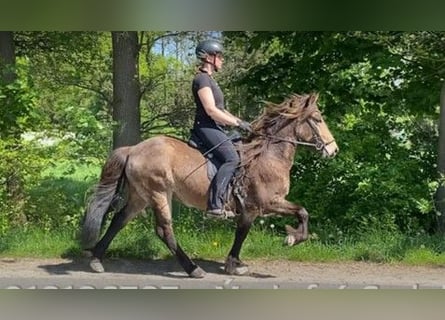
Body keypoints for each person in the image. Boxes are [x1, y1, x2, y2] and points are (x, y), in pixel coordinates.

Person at [191, 39, 252, 218]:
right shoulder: (201, 79)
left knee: (241, 149)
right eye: (220, 56)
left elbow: (222, 110)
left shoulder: (210, 80)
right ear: (209, 58)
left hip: (215, 127)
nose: (222, 60)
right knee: (231, 159)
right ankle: (215, 205)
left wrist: (241, 122)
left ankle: (235, 196)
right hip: (206, 127)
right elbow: (211, 110)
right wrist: (237, 124)